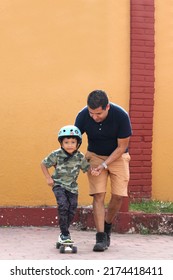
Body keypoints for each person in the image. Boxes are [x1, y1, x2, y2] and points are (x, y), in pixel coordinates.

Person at [75, 90, 132, 252]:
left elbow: (122, 147)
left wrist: (105, 165)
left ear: (107, 107)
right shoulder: (83, 115)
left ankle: (107, 226)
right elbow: (74, 139)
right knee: (98, 194)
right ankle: (100, 237)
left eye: (98, 113)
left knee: (118, 196)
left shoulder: (121, 116)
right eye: (91, 113)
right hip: (94, 156)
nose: (94, 117)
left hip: (118, 156)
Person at [41, 125, 92, 244]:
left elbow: (87, 168)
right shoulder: (56, 154)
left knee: (72, 208)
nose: (70, 145)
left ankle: (63, 232)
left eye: (73, 142)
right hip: (58, 184)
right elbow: (43, 164)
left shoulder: (80, 157)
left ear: (78, 143)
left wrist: (94, 171)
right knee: (63, 205)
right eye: (66, 142)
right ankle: (65, 234)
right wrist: (48, 178)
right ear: (61, 143)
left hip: (72, 187)